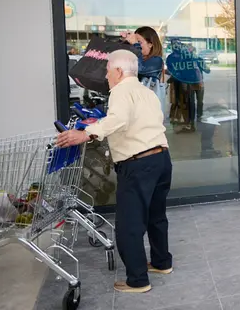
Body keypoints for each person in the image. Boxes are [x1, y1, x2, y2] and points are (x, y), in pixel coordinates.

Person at [56, 50, 172, 293]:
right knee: (156, 216)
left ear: (119, 71)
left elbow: (119, 119)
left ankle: (138, 280)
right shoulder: (146, 92)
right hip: (161, 159)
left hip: (138, 163)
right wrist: (99, 125)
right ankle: (162, 263)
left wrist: (86, 133)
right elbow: (134, 120)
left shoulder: (120, 91)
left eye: (108, 71)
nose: (106, 76)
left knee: (130, 224)